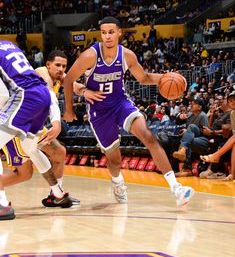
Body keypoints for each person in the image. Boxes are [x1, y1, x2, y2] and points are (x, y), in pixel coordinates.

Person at [63, 16, 194, 206]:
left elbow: (143, 77)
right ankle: (117, 182)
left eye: (111, 32)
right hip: (99, 111)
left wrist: (166, 77)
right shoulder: (90, 55)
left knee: (148, 136)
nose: (107, 36)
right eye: (104, 33)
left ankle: (176, 188)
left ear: (119, 33)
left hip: (120, 103)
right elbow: (68, 79)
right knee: (114, 160)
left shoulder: (127, 55)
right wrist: (71, 107)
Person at [0, 41, 72, 220]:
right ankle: (58, 193)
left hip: (24, 98)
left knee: (26, 169)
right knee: (32, 149)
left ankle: (1, 204)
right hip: (41, 99)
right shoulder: (9, 45)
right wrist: (55, 120)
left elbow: (3, 94)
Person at [200, 90, 235, 181]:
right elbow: (210, 127)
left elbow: (229, 131)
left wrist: (212, 133)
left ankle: (215, 160)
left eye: (234, 99)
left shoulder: (229, 114)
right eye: (230, 100)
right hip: (219, 136)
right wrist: (211, 115)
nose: (233, 102)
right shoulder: (231, 113)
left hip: (221, 137)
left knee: (218, 142)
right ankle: (232, 174)